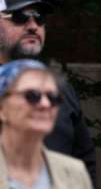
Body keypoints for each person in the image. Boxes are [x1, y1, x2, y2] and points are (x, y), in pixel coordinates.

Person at [0, 0, 96, 186]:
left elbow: (84, 158)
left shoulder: (59, 88)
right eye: (19, 17)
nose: (33, 26)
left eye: (39, 18)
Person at [0, 59, 93, 189]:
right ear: (2, 108)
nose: (45, 104)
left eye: (53, 97)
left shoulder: (74, 172)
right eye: (32, 95)